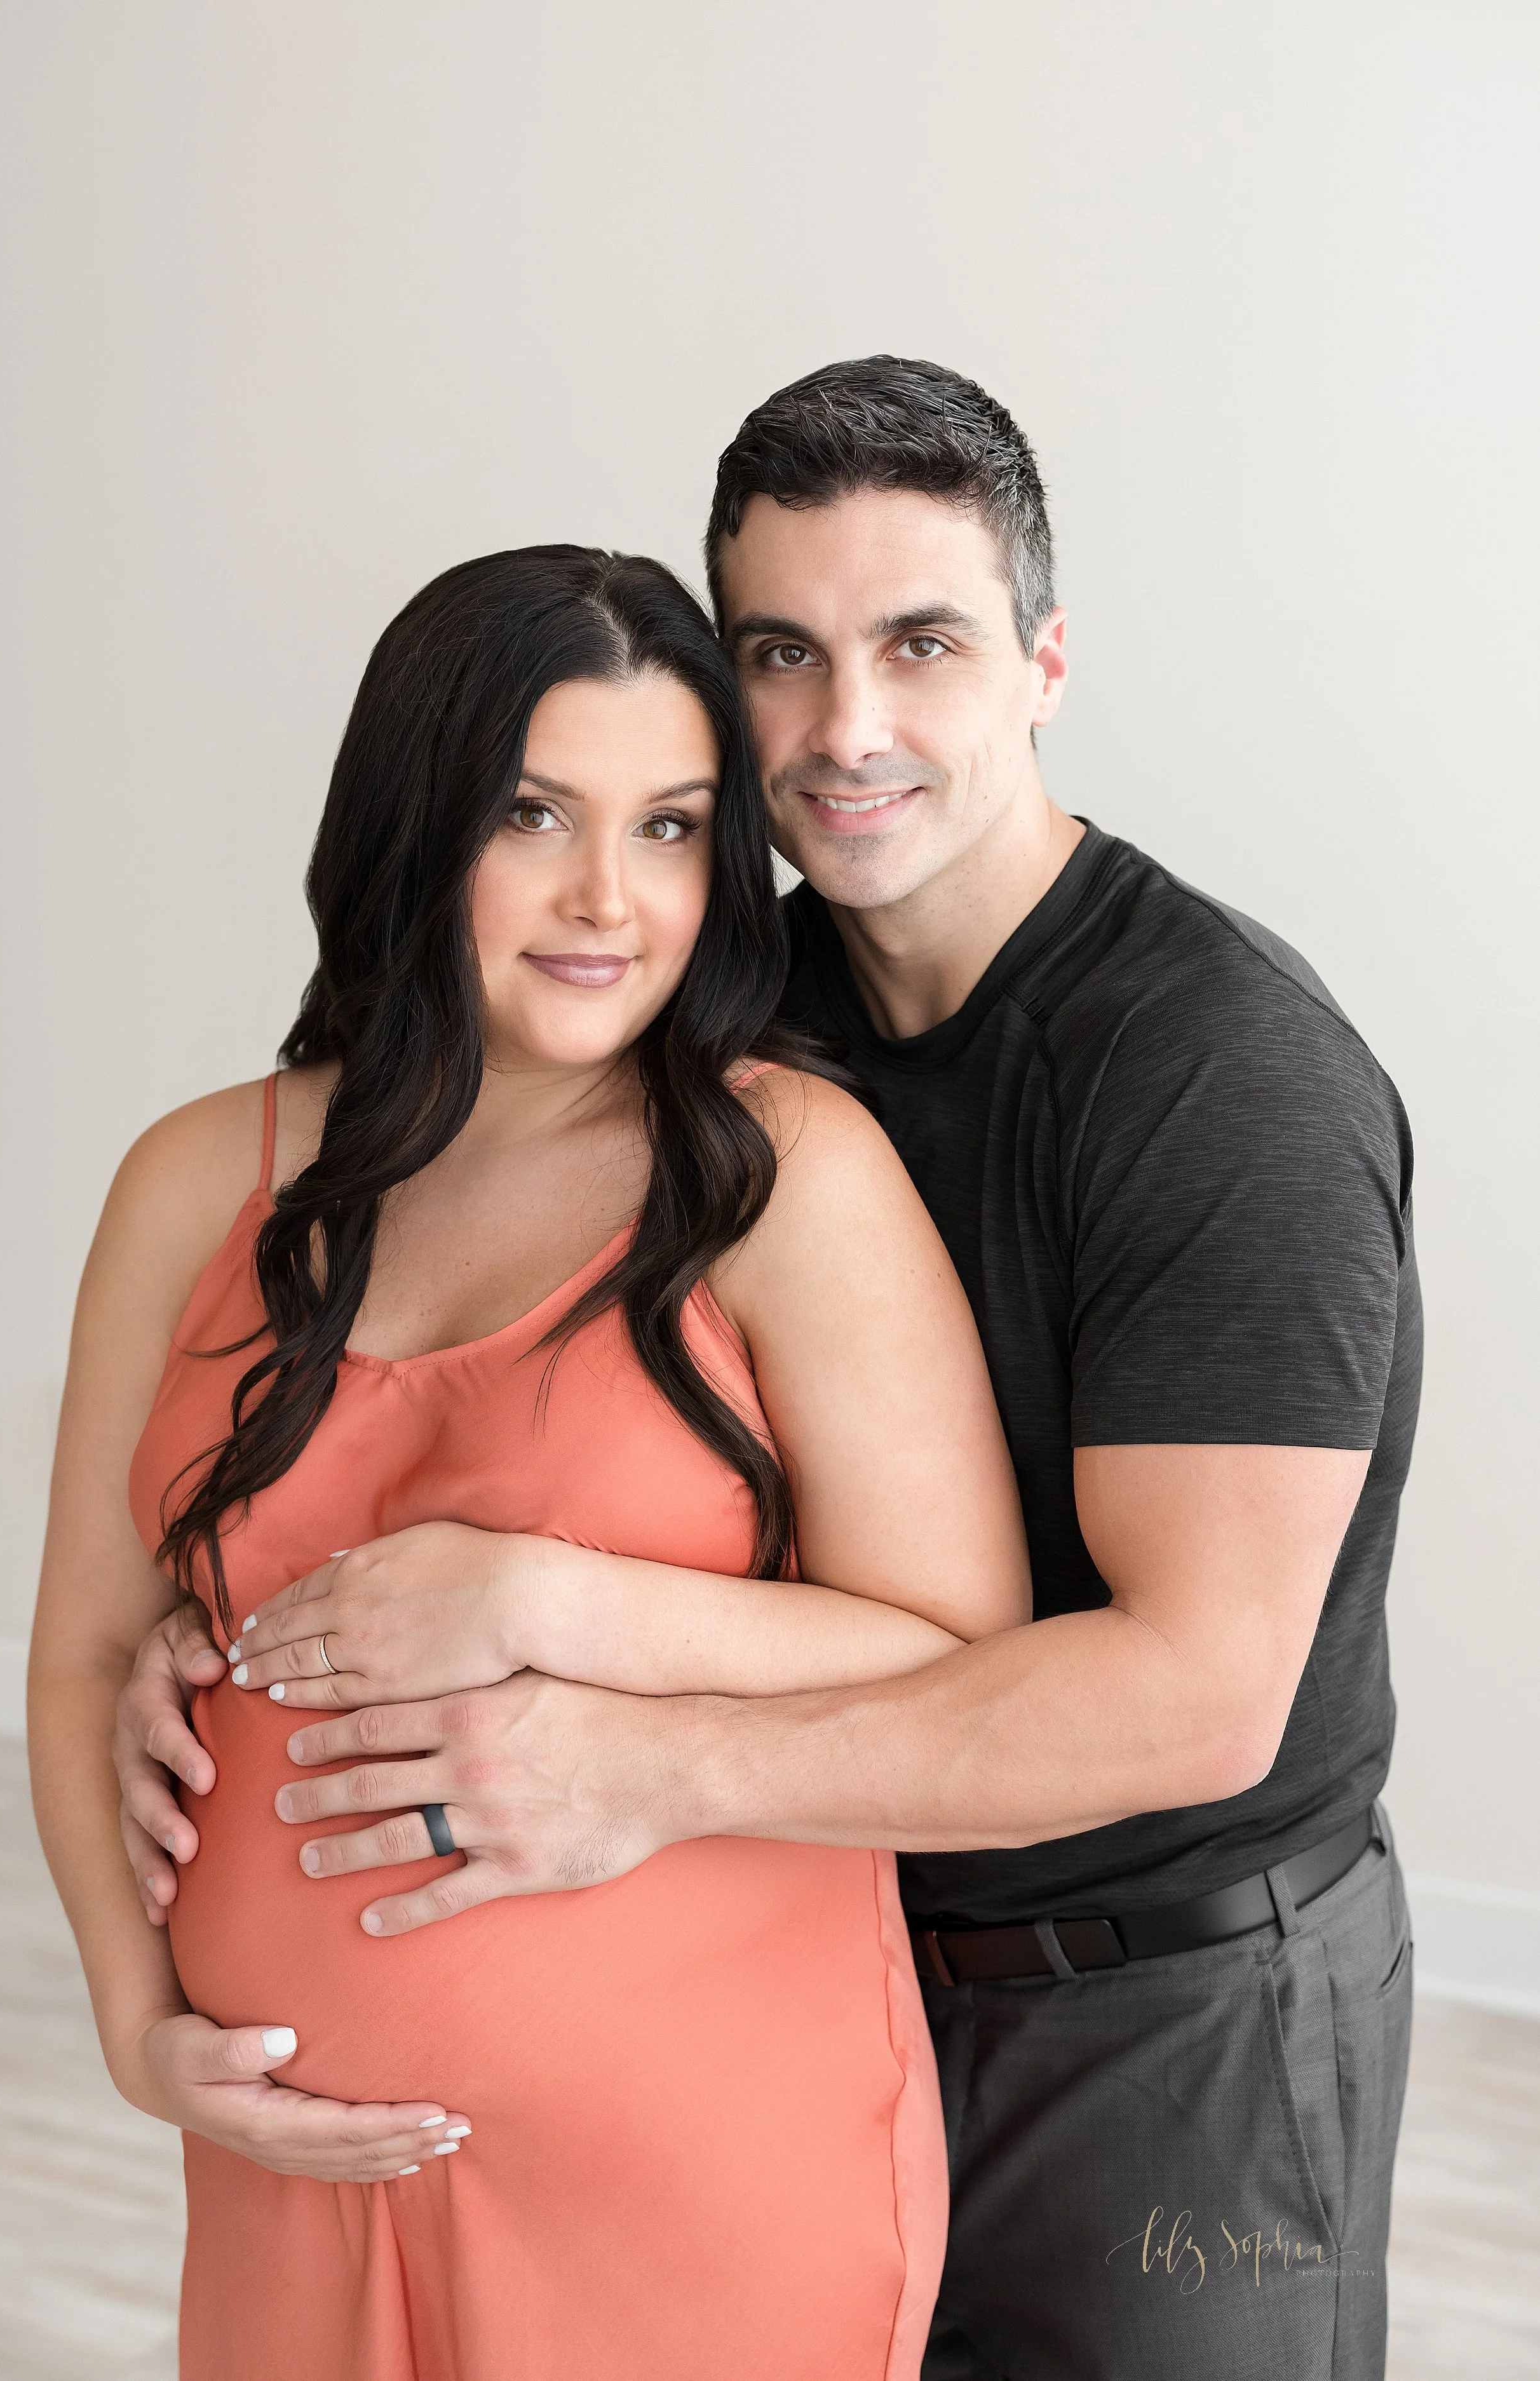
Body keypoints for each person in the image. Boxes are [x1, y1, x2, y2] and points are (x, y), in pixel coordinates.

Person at [117, 363, 1421, 2381]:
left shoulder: (1215, 1073)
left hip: (1159, 2010)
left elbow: (1196, 1693)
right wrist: (209, 1627)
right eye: (783, 656)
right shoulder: (723, 1010)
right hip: (838, 1949)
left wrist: (633, 1750)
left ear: (1046, 659)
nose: (848, 728)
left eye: (923, 643)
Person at [29, 543, 1034, 2381]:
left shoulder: (779, 1174)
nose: (606, 898)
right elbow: (91, 1647)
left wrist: (549, 1598)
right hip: (291, 2182)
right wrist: (130, 2021)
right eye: (534, 815)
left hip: (704, 2187)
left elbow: (957, 1647)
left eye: (667, 828)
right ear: (416, 827)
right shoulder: (197, 1179)